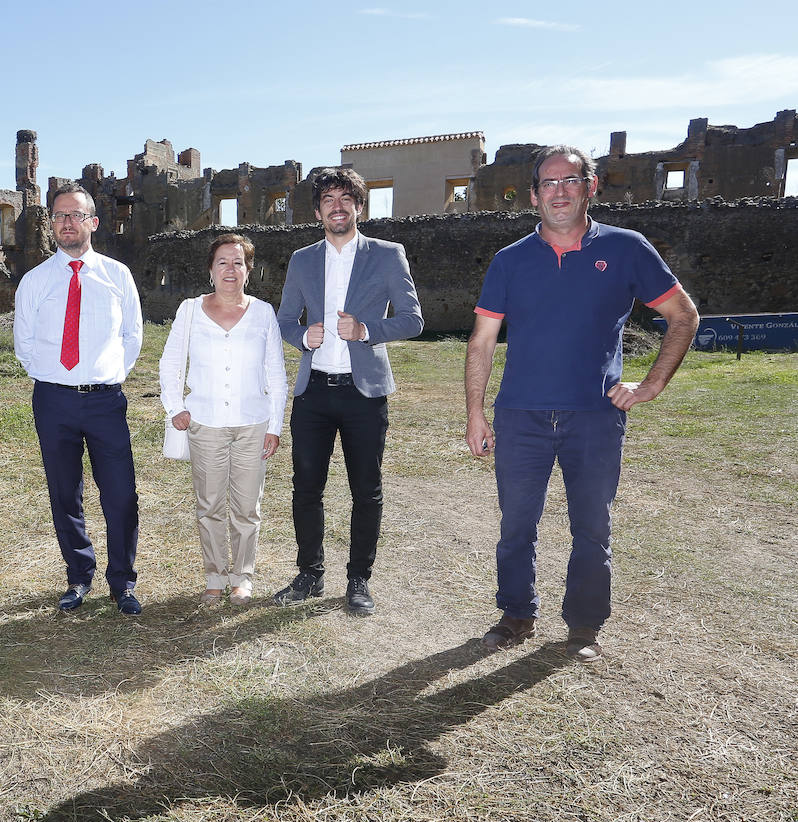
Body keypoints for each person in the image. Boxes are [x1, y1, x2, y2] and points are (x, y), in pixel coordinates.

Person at [465, 144, 700, 662]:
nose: (560, 191)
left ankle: (584, 627)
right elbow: (482, 341)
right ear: (533, 195)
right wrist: (476, 412)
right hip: (521, 413)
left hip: (594, 416)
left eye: (571, 180)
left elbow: (683, 317)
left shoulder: (627, 248)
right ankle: (516, 614)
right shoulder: (510, 261)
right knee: (515, 526)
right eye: (549, 183)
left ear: (590, 186)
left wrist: (650, 384)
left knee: (591, 527)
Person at [273, 167, 424, 614]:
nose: (337, 207)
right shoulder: (301, 259)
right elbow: (284, 319)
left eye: (345, 199)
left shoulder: (387, 254)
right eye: (328, 200)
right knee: (306, 489)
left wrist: (365, 329)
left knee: (366, 490)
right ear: (318, 210)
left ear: (359, 206)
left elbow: (413, 319)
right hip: (313, 393)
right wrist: (302, 337)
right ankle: (310, 574)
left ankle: (358, 580)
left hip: (364, 393)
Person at [14, 184, 145, 616]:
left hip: (106, 402)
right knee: (64, 494)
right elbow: (25, 343)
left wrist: (105, 376)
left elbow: (132, 336)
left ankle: (122, 582)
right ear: (51, 224)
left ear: (93, 222)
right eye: (58, 216)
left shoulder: (116, 275)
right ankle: (78, 575)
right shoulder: (36, 281)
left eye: (75, 215)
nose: (66, 223)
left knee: (120, 495)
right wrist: (57, 378)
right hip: (54, 402)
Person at [159, 234, 287, 607]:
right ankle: (215, 577)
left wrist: (275, 426)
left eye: (238, 263)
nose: (230, 270)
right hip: (206, 423)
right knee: (210, 504)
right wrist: (174, 406)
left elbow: (276, 373)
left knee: (248, 506)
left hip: (253, 424)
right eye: (222, 262)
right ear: (210, 270)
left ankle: (242, 578)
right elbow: (170, 363)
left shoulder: (263, 312)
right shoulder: (189, 310)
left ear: (249, 270)